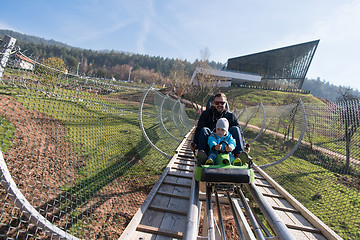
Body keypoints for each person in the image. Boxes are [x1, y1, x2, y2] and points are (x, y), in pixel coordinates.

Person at [191, 92, 250, 164]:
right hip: (211, 142)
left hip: (226, 142)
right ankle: (204, 156)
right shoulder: (206, 114)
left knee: (235, 129)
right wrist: (195, 144)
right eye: (217, 103)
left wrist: (244, 145)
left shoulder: (231, 116)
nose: (219, 105)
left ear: (225, 103)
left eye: (222, 103)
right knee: (204, 129)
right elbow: (199, 129)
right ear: (214, 103)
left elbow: (239, 132)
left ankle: (239, 155)